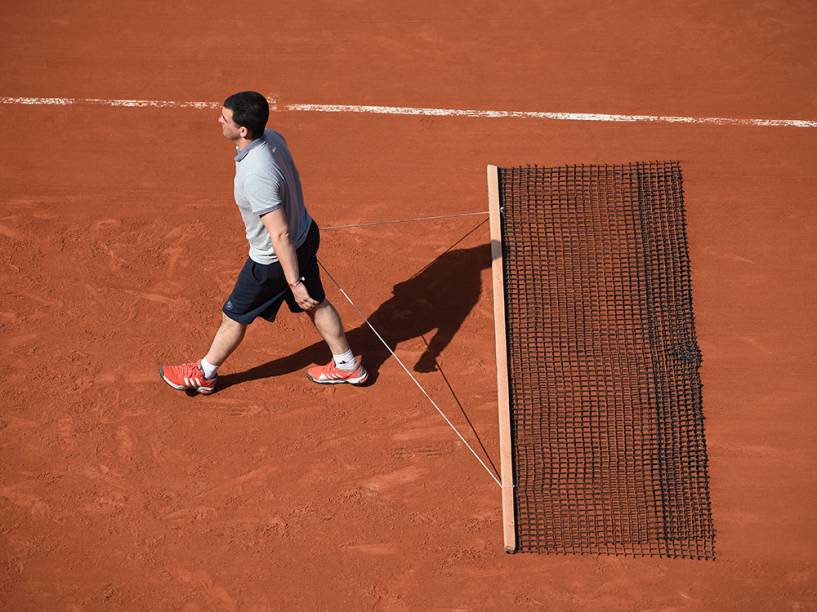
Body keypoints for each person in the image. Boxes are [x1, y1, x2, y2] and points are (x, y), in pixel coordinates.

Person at [160, 91, 367, 395]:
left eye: (225, 118)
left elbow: (278, 233)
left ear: (243, 130)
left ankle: (205, 373)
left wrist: (293, 281)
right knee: (315, 302)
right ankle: (347, 364)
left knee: (233, 316)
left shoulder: (257, 174)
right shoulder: (273, 137)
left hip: (273, 259)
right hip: (305, 234)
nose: (219, 120)